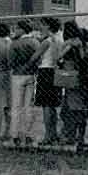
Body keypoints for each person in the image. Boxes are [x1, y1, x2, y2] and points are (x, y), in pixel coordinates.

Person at [58, 21, 88, 149]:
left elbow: (58, 57)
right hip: (81, 78)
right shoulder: (82, 44)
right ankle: (76, 136)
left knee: (73, 109)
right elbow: (84, 59)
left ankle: (73, 136)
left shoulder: (69, 44)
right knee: (74, 109)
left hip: (71, 77)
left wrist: (68, 47)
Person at [31, 17, 63, 146]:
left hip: (45, 72)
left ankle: (48, 135)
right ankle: (53, 133)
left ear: (48, 26)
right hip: (54, 72)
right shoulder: (59, 38)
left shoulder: (47, 41)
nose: (40, 28)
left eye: (42, 25)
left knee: (46, 106)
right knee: (52, 105)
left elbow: (35, 57)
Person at [9, 20, 39, 147]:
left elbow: (11, 61)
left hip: (17, 75)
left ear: (22, 29)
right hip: (30, 74)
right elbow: (38, 59)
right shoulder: (34, 42)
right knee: (28, 106)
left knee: (16, 107)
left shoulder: (15, 43)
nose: (15, 30)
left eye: (17, 28)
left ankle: (15, 135)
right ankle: (28, 134)